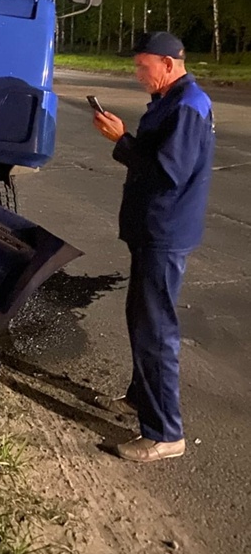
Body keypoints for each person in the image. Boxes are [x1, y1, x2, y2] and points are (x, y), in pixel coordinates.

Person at [92, 31, 215, 463]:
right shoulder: (175, 100)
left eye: (143, 66)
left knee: (154, 330)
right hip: (157, 230)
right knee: (144, 318)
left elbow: (169, 172)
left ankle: (165, 433)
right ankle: (141, 397)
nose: (137, 74)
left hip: (165, 233)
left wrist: (121, 141)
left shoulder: (186, 105)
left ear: (168, 63)